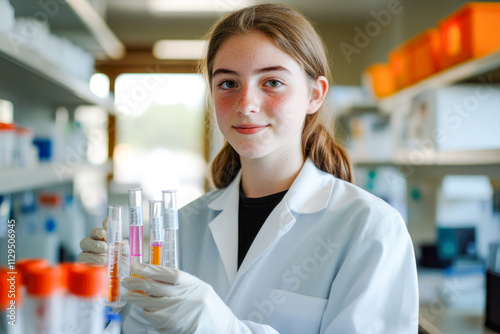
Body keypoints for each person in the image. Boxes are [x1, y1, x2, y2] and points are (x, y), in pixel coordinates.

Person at [78, 3, 419, 333]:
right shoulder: (183, 227)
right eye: (228, 83)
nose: (246, 105)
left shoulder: (372, 229)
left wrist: (221, 328)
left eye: (271, 82)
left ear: (315, 94)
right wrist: (109, 299)